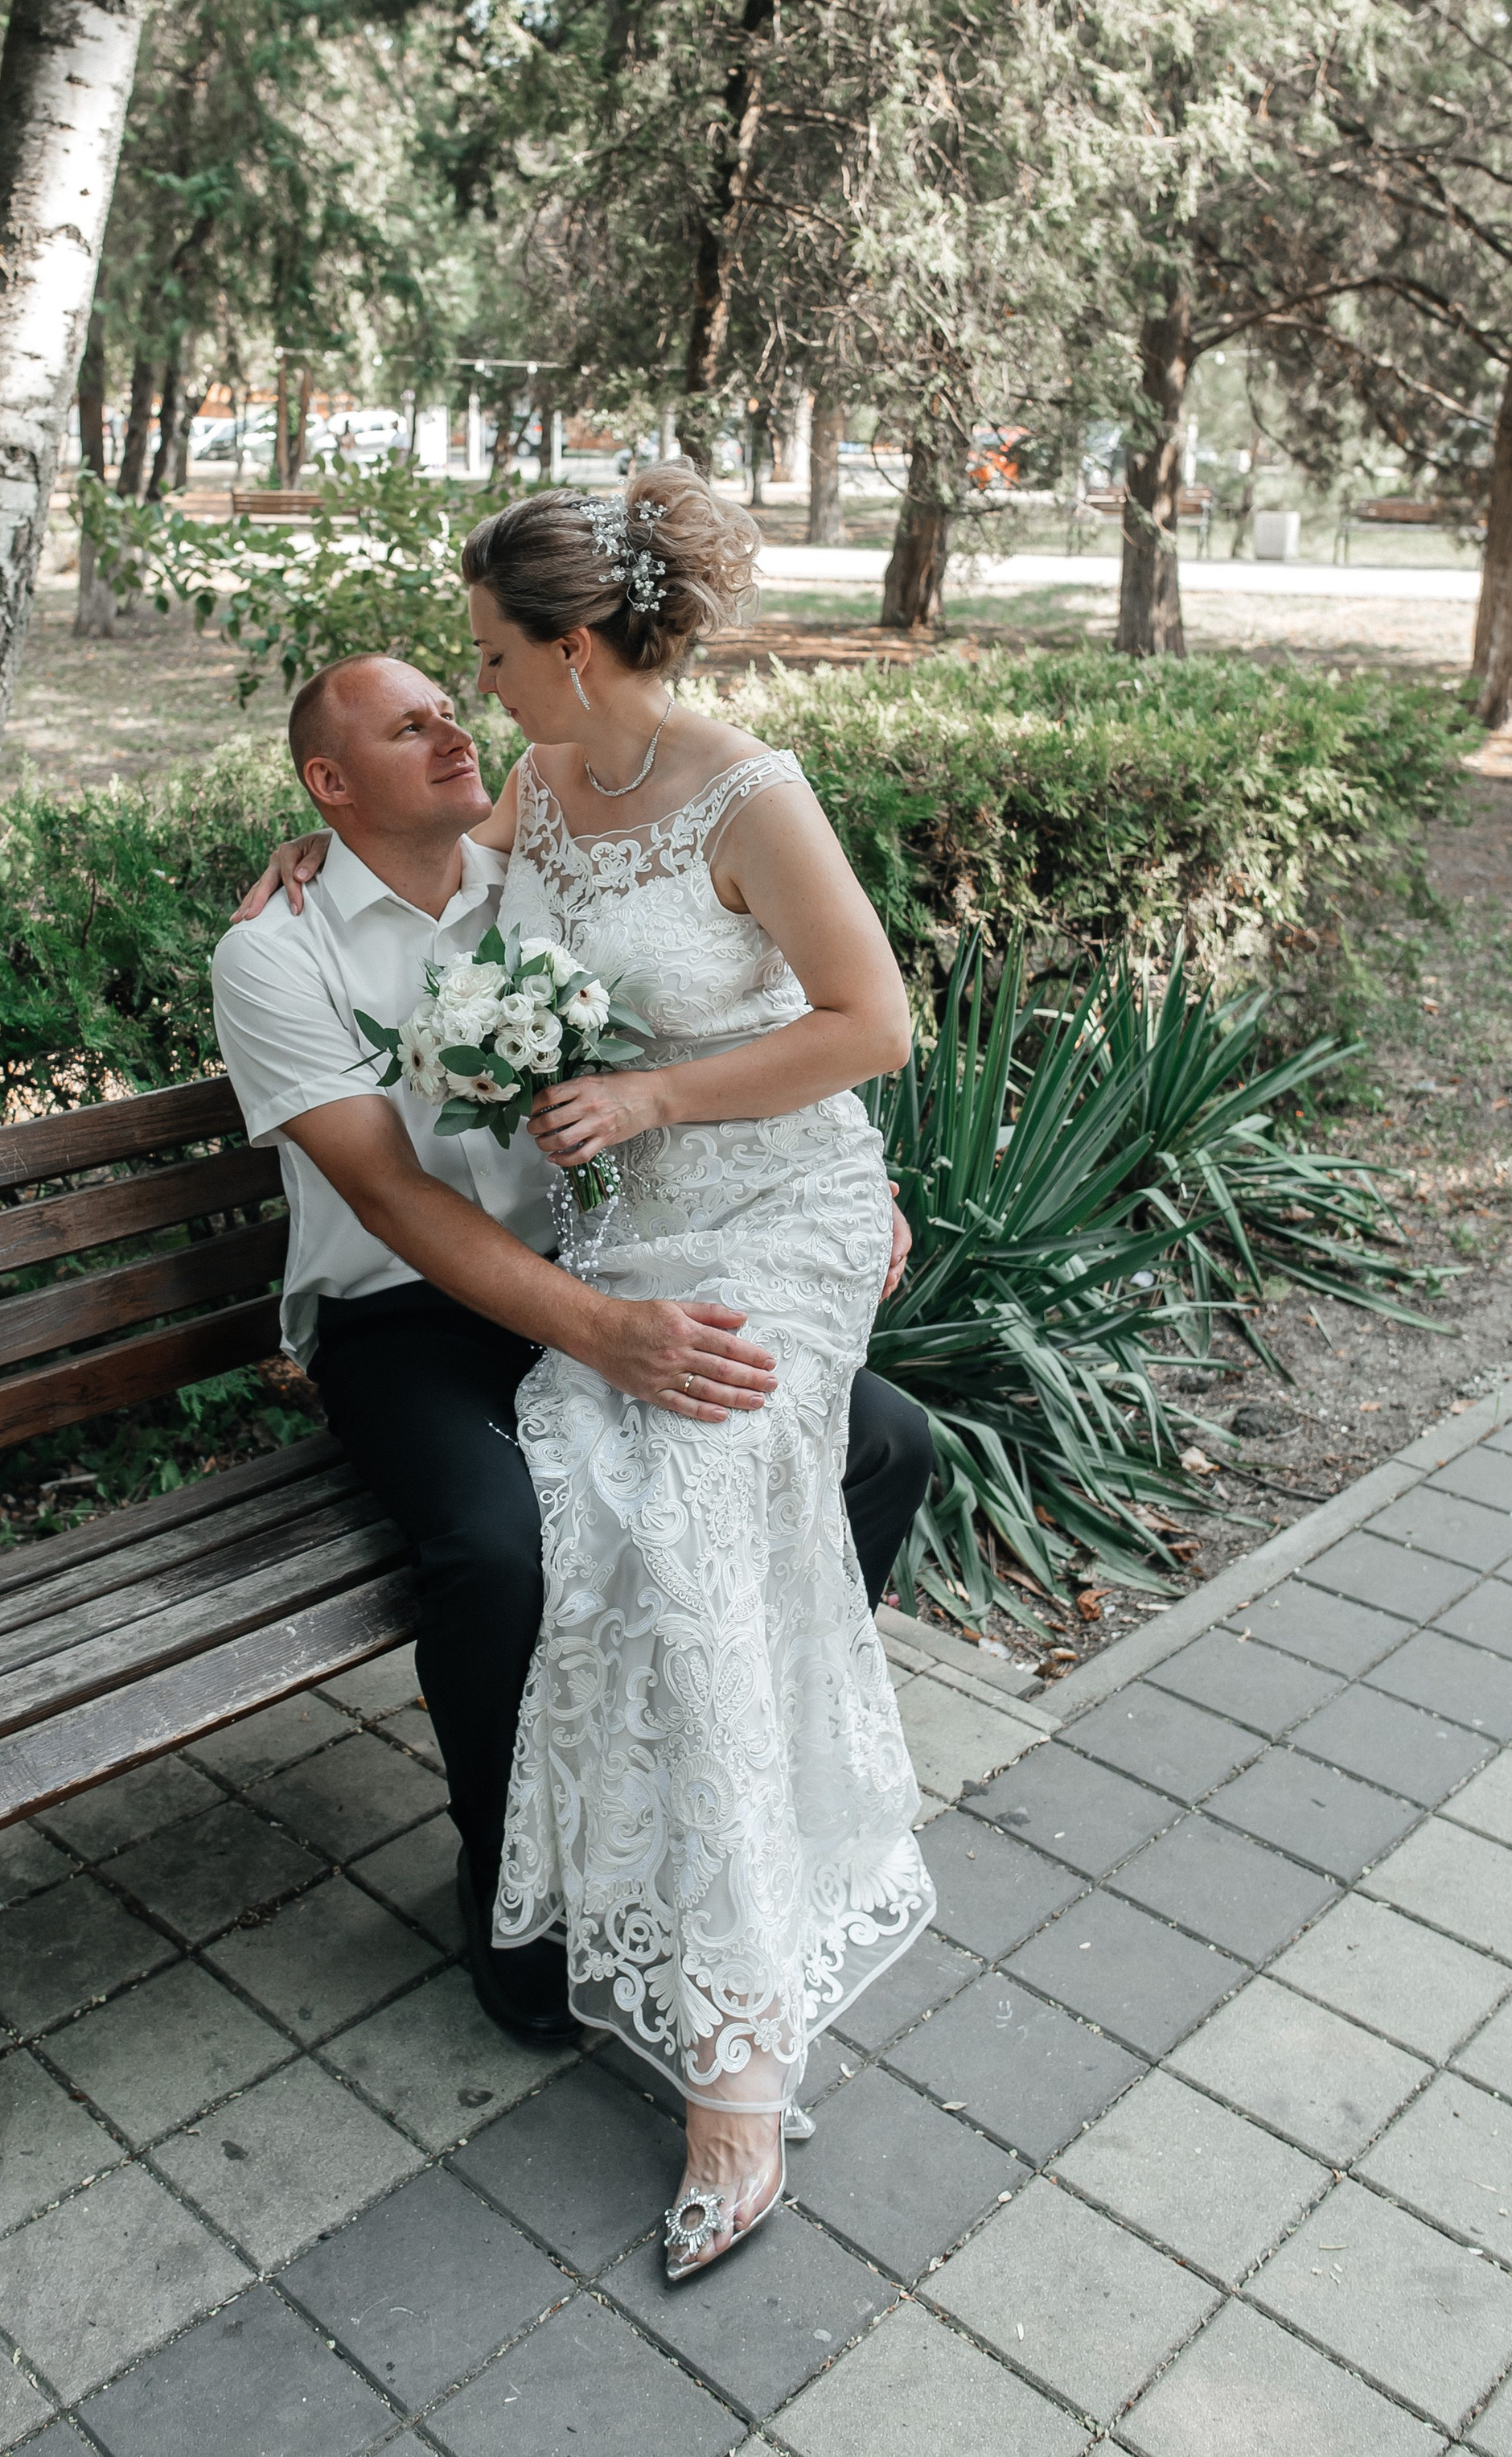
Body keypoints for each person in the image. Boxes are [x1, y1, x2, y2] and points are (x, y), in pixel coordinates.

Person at [212, 652, 934, 2111]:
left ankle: (731, 1800)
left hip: (614, 1265)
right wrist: (605, 1339)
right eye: (407, 725)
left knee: (881, 1444)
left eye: (451, 699)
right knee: (500, 1550)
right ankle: (506, 1879)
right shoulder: (278, 950)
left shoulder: (541, 859)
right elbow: (396, 1200)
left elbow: (722, 1018)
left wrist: (834, 1187)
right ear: (328, 788)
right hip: (404, 1317)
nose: (452, 724)